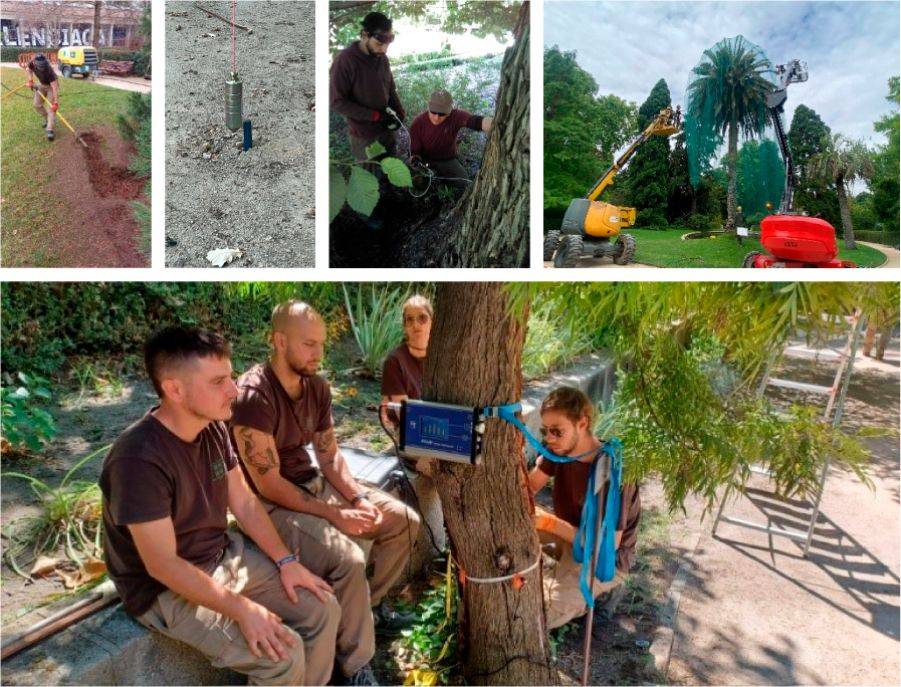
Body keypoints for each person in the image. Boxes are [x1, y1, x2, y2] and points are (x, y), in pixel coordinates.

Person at [100, 326, 339, 686]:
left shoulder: (211, 426)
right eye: (218, 382)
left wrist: (286, 561)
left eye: (231, 376)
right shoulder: (138, 460)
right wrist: (241, 609)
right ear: (175, 390)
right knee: (283, 656)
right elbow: (163, 565)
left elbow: (243, 501)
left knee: (322, 608)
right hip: (166, 590)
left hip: (224, 556)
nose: (234, 390)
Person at [230, 301, 421, 645]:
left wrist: (357, 498)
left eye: (321, 343)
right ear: (280, 341)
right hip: (270, 505)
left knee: (404, 522)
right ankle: (353, 663)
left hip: (313, 485)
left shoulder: (315, 387)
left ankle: (366, 611)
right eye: (309, 344)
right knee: (348, 560)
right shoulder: (253, 396)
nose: (319, 353)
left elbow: (330, 457)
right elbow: (268, 484)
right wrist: (336, 514)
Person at [527, 386, 641, 630]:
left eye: (557, 431)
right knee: (509, 522)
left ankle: (601, 593)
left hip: (604, 557)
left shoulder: (613, 468)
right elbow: (529, 488)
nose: (549, 439)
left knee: (540, 615)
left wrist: (550, 523)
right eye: (545, 431)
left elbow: (608, 543)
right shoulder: (558, 451)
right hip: (569, 538)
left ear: (582, 423)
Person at [330, 12, 406, 165]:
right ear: (365, 35)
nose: (384, 50)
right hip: (364, 136)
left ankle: (389, 189)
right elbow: (336, 102)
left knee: (391, 167)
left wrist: (399, 111)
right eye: (379, 44)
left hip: (386, 129)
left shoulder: (382, 58)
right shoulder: (345, 61)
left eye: (388, 44)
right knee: (368, 177)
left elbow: (390, 88)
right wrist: (375, 116)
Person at [408, 90, 493, 188]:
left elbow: (477, 122)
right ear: (428, 107)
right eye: (433, 112)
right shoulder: (418, 123)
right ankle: (430, 182)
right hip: (424, 161)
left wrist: (499, 124)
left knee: (463, 182)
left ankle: (441, 180)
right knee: (417, 183)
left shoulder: (456, 116)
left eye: (442, 114)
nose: (436, 117)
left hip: (446, 160)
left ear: (449, 111)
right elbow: (414, 152)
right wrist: (415, 159)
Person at [381, 294, 432, 403]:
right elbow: (404, 414)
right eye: (409, 319)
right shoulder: (394, 362)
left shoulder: (443, 358)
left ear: (432, 321)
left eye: (422, 318)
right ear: (404, 326)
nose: (416, 325)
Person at [25, 54, 60, 141]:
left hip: (51, 87)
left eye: (43, 66)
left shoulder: (49, 71)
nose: (42, 68)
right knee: (37, 105)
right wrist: (30, 81)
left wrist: (55, 103)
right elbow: (28, 70)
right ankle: (48, 119)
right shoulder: (31, 63)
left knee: (51, 109)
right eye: (40, 66)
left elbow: (55, 88)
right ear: (34, 62)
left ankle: (50, 130)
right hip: (41, 84)